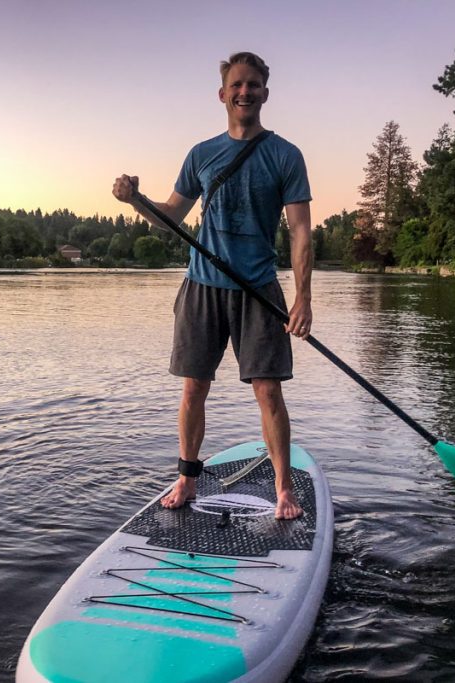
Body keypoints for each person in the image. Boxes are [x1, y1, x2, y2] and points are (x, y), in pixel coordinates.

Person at [111, 51, 313, 520]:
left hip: (259, 288)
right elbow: (171, 218)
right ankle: (186, 477)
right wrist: (136, 199)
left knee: (268, 391)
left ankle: (284, 489)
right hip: (202, 286)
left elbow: (301, 229)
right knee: (193, 388)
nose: (245, 92)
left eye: (254, 85)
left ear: (266, 93)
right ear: (223, 94)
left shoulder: (286, 155)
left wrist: (303, 297)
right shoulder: (201, 154)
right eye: (237, 85)